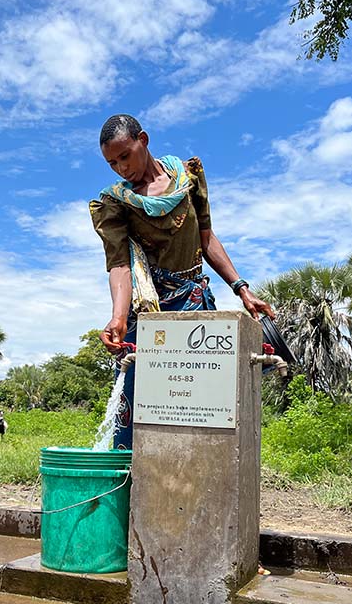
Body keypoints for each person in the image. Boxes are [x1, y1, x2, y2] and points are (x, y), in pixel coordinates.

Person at [90, 114, 275, 449]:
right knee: (139, 403)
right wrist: (118, 317)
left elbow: (207, 239)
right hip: (150, 313)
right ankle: (128, 489)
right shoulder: (116, 203)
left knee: (204, 399)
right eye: (112, 163)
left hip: (194, 304)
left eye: (125, 155)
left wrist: (242, 289)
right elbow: (119, 265)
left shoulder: (188, 178)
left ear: (143, 140)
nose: (121, 168)